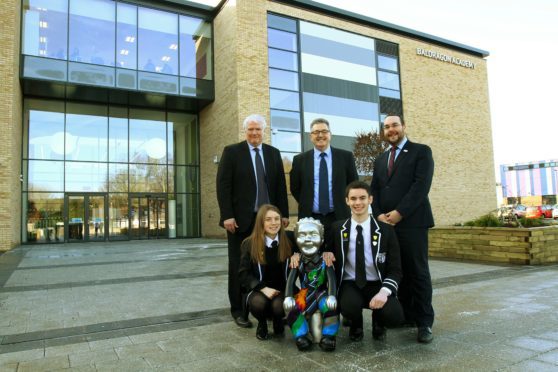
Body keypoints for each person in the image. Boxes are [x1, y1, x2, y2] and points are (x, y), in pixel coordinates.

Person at [216, 114, 289, 328]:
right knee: (239, 265)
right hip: (240, 221)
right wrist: (226, 215)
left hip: (269, 222)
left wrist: (283, 214)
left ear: (264, 131)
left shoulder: (273, 154)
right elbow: (223, 186)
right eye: (251, 129)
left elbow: (279, 188)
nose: (254, 133)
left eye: (258, 129)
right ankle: (239, 310)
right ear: (245, 131)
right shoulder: (232, 152)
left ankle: (269, 306)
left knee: (270, 263)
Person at [370, 113, 435, 343]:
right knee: (398, 271)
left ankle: (424, 322)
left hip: (413, 223)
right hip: (386, 226)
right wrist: (378, 214)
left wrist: (399, 214)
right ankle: (408, 315)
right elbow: (375, 190)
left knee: (417, 272)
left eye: (395, 125)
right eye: (386, 127)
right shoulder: (380, 159)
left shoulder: (421, 151)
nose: (391, 130)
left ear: (404, 126)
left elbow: (421, 186)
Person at [330, 181, 404, 342]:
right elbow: (323, 250)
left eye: (362, 198)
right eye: (353, 198)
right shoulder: (337, 228)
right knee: (348, 307)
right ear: (347, 201)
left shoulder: (386, 230)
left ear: (370, 199)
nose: (358, 203)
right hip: (351, 282)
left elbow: (395, 269)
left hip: (377, 283)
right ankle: (356, 324)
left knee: (395, 316)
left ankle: (379, 321)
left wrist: (384, 292)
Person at [290, 118, 358, 244]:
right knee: (311, 255)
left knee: (340, 254)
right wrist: (308, 201)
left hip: (339, 216)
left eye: (324, 131)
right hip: (310, 218)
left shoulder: (346, 157)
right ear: (311, 136)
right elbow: (295, 187)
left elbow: (353, 185)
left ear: (330, 135)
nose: (320, 135)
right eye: (316, 132)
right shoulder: (299, 160)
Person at [239, 204, 293, 340]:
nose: (274, 223)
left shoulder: (290, 239)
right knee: (258, 303)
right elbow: (243, 274)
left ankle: (278, 320)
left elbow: (311, 248)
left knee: (279, 306)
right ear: (261, 222)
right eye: (268, 219)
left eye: (277, 219)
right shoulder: (249, 243)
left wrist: (298, 255)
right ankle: (262, 323)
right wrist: (263, 288)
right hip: (259, 288)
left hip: (282, 287)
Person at [283, 218, 338, 352]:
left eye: (313, 235)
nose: (308, 239)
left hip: (321, 293)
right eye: (302, 235)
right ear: (296, 240)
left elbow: (331, 279)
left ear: (322, 240)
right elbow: (291, 280)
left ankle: (329, 336)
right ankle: (301, 335)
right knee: (291, 308)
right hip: (304, 293)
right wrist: (288, 296)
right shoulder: (297, 261)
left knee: (330, 307)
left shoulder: (325, 260)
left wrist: (332, 295)